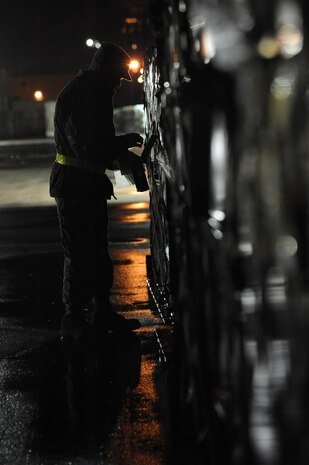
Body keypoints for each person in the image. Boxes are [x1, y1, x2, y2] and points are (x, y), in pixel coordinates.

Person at [49, 42, 144, 338]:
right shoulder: (81, 95)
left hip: (87, 185)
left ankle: (102, 312)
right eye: (117, 76)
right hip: (74, 187)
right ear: (103, 69)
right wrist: (123, 143)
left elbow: (96, 145)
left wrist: (122, 155)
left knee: (97, 253)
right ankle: (73, 319)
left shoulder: (96, 92)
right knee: (78, 255)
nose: (118, 84)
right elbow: (88, 147)